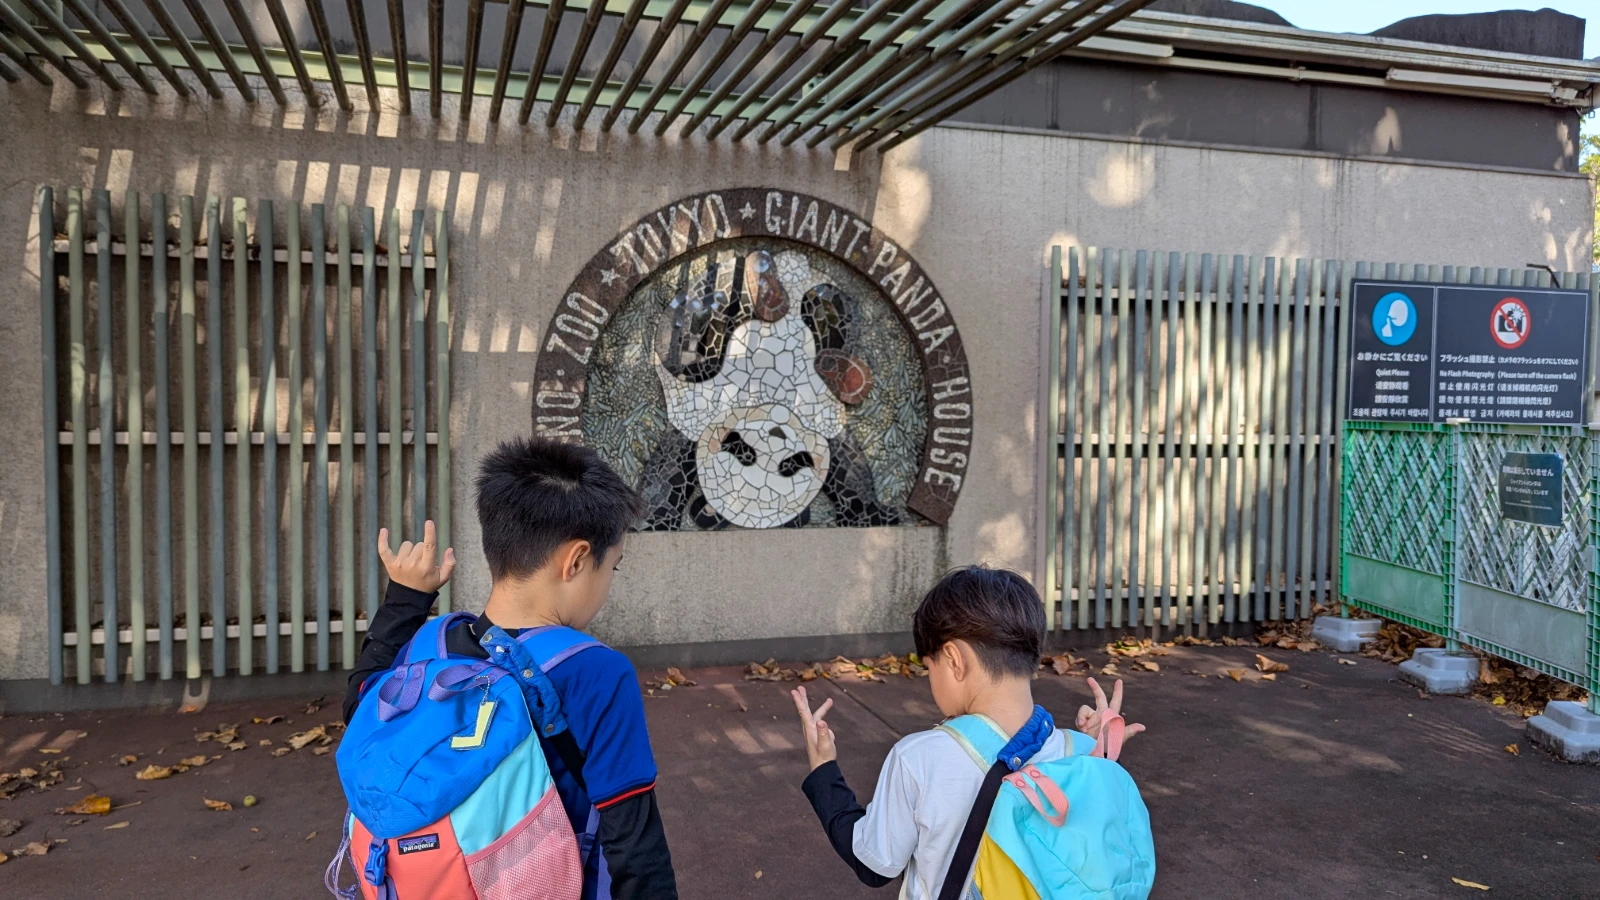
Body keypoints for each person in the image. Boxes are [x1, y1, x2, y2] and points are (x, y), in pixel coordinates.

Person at [342, 437, 677, 900]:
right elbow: (634, 845)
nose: (607, 585)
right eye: (612, 568)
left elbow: (358, 706)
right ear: (577, 560)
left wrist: (405, 600)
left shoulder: (428, 642)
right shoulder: (597, 672)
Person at [793, 566, 1147, 898]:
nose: (930, 679)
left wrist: (824, 771)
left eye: (929, 667)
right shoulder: (1081, 751)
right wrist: (1100, 756)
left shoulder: (919, 758)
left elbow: (874, 865)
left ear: (954, 659)